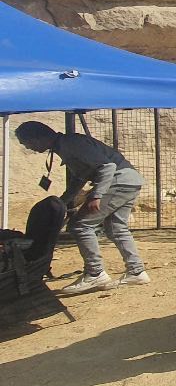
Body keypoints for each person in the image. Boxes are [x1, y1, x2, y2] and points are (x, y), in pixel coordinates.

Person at [16, 121, 149, 294]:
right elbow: (80, 177)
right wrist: (62, 202)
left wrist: (96, 195)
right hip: (129, 181)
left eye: (26, 143)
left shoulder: (71, 144)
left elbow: (107, 167)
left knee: (80, 226)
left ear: (37, 138)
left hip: (118, 182)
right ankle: (137, 272)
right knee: (116, 228)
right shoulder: (65, 145)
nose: (28, 147)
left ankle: (95, 273)